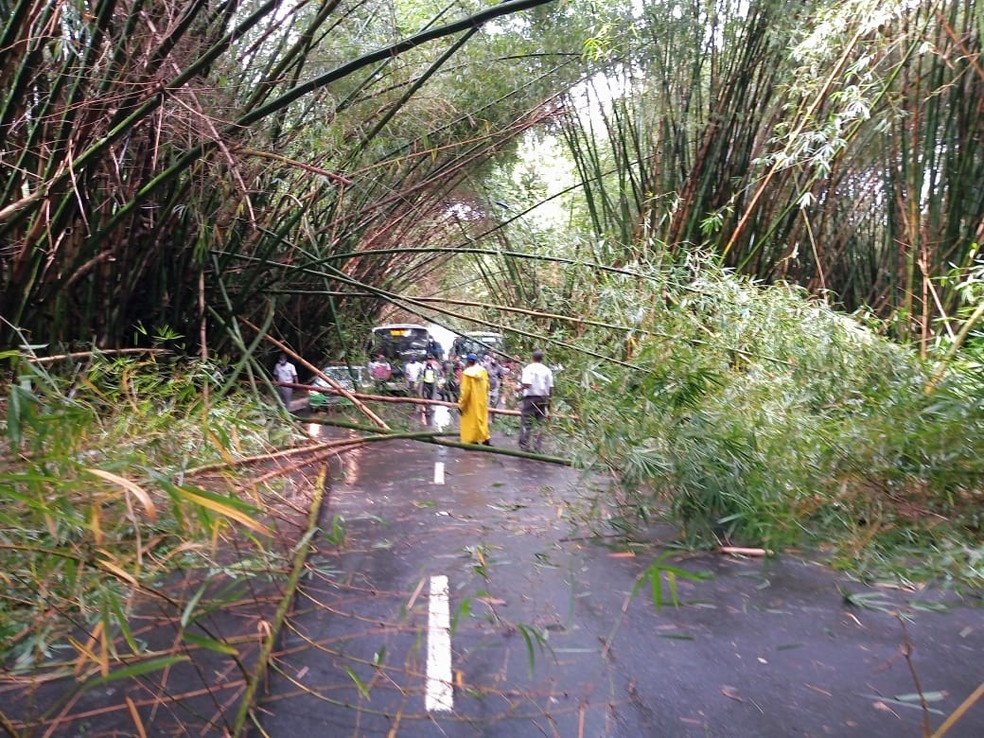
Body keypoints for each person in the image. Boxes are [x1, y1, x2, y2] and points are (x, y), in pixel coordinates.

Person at [518, 349, 554, 453]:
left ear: (532, 357)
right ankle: (537, 447)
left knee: (527, 422)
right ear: (542, 359)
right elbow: (551, 387)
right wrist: (550, 402)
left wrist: (519, 388)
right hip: (543, 398)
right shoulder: (547, 370)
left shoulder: (528, 369)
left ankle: (524, 445)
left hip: (531, 398)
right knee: (539, 423)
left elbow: (527, 384)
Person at [458, 353, 491, 445]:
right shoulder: (483, 371)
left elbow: (465, 391)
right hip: (482, 401)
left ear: (468, 362)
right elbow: (487, 386)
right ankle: (485, 438)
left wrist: (461, 405)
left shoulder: (466, 374)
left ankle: (472, 440)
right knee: (482, 420)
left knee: (470, 422)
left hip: (470, 403)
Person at [483, 353, 504, 424]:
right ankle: (485, 420)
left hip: (495, 388)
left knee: (494, 404)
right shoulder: (486, 366)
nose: (494, 360)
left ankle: (493, 418)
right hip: (487, 388)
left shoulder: (499, 367)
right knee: (486, 404)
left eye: (496, 359)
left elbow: (502, 377)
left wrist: (502, 384)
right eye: (493, 358)